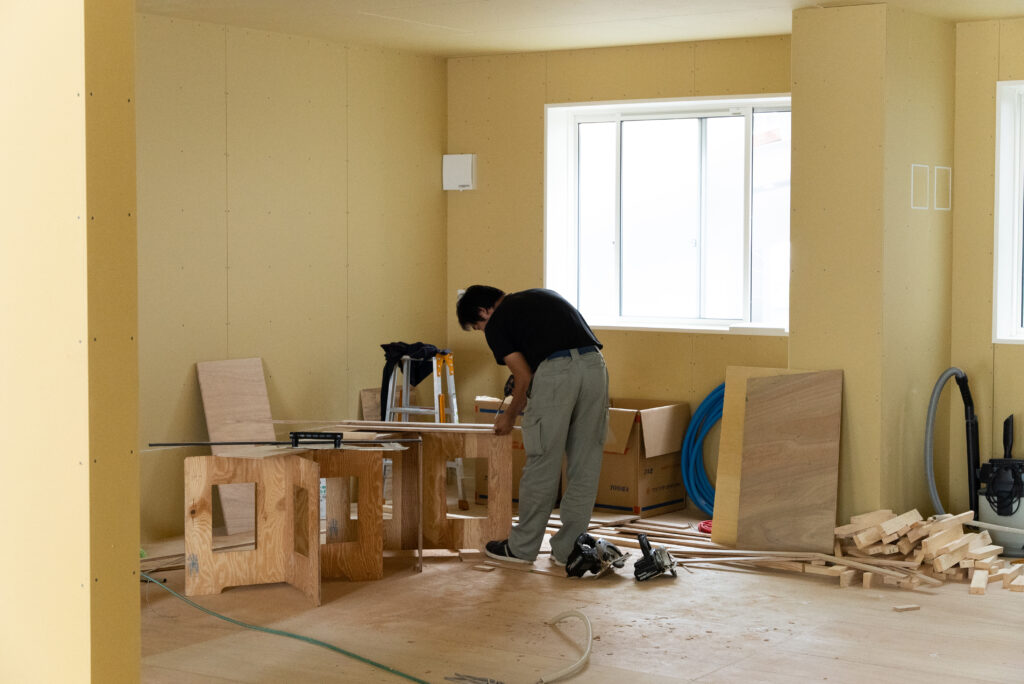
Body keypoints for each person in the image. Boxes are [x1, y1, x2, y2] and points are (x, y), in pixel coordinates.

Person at [457, 285, 609, 566]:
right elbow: (554, 347)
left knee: (542, 462)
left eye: (478, 326)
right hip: (595, 368)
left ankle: (522, 548)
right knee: (585, 463)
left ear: (483, 311)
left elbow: (524, 377)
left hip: (557, 374)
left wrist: (509, 415)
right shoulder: (543, 296)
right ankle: (569, 550)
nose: (482, 331)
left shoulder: (497, 322)